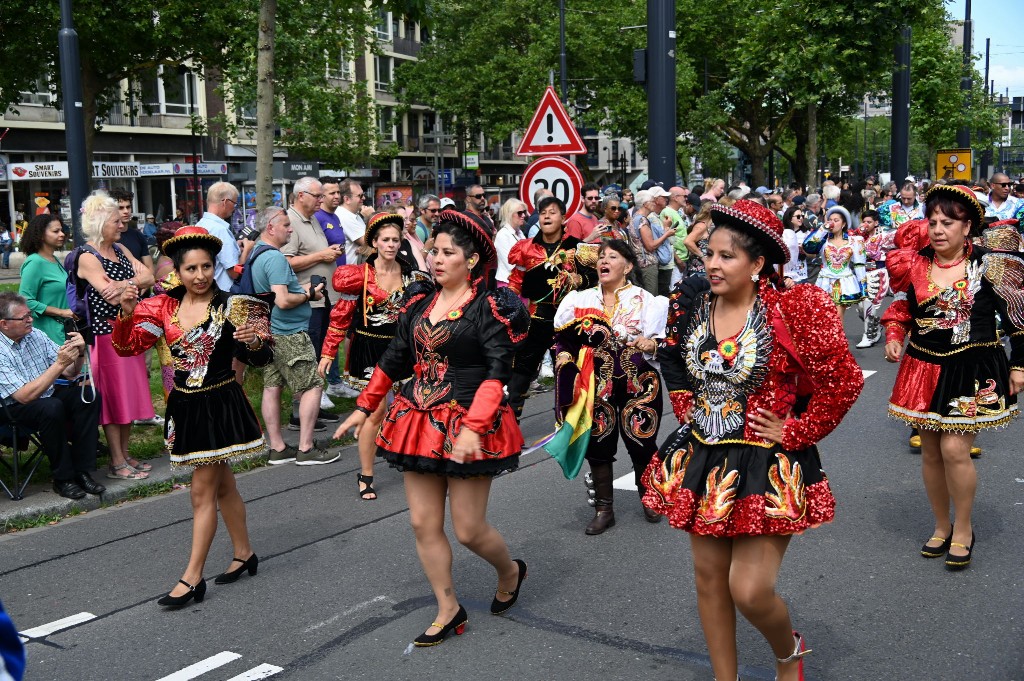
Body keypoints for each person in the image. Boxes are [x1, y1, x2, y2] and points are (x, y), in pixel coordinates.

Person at [642, 199, 864, 681]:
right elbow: (675, 358)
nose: (713, 265)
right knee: (708, 581)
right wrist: (686, 405)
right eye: (708, 254)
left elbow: (844, 381)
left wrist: (798, 429)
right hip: (705, 455)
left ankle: (789, 652)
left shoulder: (795, 309)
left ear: (758, 263)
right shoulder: (697, 303)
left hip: (768, 461)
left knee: (750, 590)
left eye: (726, 256)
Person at [335, 210, 530, 645]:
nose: (436, 259)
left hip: (470, 420)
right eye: (433, 251)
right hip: (418, 420)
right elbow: (396, 358)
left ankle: (510, 570)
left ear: (473, 260)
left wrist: (475, 426)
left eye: (447, 253)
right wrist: (365, 406)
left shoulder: (491, 306)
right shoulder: (420, 302)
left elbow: (499, 371)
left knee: (468, 530)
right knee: (423, 524)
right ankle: (449, 608)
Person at [113, 226, 273, 608]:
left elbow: (263, 357)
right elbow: (127, 348)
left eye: (206, 267)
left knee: (201, 492)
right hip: (184, 405)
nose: (200, 276)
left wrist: (253, 341)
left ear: (214, 266)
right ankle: (244, 553)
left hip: (219, 406)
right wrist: (124, 312)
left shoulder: (237, 305)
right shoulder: (161, 307)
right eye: (191, 269)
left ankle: (192, 577)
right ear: (178, 271)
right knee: (223, 488)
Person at [883, 185, 1024, 571]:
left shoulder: (990, 264)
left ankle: (963, 528)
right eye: (933, 222)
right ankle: (941, 525)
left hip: (973, 366)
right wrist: (895, 335)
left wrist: (1020, 363)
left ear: (968, 227)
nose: (939, 229)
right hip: (923, 366)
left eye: (949, 222)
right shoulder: (915, 263)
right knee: (929, 451)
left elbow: (1017, 317)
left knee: (954, 450)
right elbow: (903, 308)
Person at [551, 239, 669, 534]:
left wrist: (650, 343)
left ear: (628, 266)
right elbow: (562, 341)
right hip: (596, 385)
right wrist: (566, 364)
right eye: (601, 257)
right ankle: (604, 509)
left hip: (639, 383)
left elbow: (666, 343)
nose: (604, 261)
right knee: (598, 446)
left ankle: (651, 498)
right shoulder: (579, 301)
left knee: (642, 442)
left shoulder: (646, 300)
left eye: (612, 257)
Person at [319, 213, 430, 499]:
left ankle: (413, 462)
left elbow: (422, 315)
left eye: (396, 239)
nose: (391, 245)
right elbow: (341, 316)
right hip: (369, 348)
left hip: (402, 349)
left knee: (411, 407)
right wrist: (329, 351)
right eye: (386, 240)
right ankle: (366, 473)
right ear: (375, 242)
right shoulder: (359, 275)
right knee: (375, 410)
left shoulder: (411, 274)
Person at [75, 191, 157, 480]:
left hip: (127, 328)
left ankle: (125, 454)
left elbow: (149, 276)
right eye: (115, 220)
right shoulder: (87, 256)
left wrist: (125, 284)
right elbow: (107, 296)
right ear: (98, 222)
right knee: (113, 400)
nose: (122, 223)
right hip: (105, 336)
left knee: (130, 396)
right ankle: (116, 461)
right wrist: (131, 286)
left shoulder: (121, 250)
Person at [0, 293, 104, 500]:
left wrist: (79, 352)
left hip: (45, 397)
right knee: (51, 407)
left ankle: (81, 471)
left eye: (30, 315)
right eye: (24, 318)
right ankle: (63, 479)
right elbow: (24, 396)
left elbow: (70, 373)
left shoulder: (36, 335)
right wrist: (59, 364)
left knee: (88, 397)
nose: (31, 320)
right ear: (4, 324)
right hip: (11, 408)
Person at [506, 197, 599, 420]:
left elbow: (595, 278)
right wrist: (506, 303)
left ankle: (569, 423)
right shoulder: (525, 248)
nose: (547, 216)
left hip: (569, 321)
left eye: (552, 212)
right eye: (543, 212)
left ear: (564, 218)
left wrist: (578, 280)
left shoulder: (577, 247)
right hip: (537, 318)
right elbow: (516, 281)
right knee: (520, 373)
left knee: (568, 373)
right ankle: (509, 427)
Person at [283, 176, 342, 421]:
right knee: (308, 356)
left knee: (319, 354)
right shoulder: (291, 222)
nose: (321, 199)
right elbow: (285, 262)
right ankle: (301, 413)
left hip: (323, 299)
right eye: (317, 195)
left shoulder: (312, 219)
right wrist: (322, 255)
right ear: (300, 196)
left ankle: (313, 406)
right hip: (308, 302)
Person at [802, 205, 866, 320]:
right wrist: (822, 229)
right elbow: (807, 247)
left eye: (836, 221)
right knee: (823, 318)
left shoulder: (854, 241)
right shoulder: (823, 240)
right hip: (824, 282)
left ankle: (838, 338)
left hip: (844, 283)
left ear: (844, 224)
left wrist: (863, 290)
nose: (832, 223)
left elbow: (859, 265)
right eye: (830, 220)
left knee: (836, 318)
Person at [18, 215, 73, 345]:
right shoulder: (35, 262)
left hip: (66, 329)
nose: (62, 234)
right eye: (55, 231)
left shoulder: (55, 259)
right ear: (41, 235)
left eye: (61, 230)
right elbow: (25, 300)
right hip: (49, 334)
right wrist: (62, 312)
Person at [196, 182, 243, 291]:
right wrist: (247, 249)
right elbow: (235, 273)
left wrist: (235, 247)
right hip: (224, 294)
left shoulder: (200, 225)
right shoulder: (220, 230)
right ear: (225, 202)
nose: (234, 208)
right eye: (234, 204)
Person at [494, 199, 528, 289]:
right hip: (508, 283)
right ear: (510, 214)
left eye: (524, 212)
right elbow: (510, 264)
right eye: (519, 213)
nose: (523, 215)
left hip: (521, 282)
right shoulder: (502, 235)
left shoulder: (520, 233)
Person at [683, 201, 714, 278]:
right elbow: (688, 241)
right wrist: (703, 257)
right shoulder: (701, 226)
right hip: (699, 271)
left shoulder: (707, 226)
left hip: (705, 270)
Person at [780, 206, 809, 284]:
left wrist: (803, 250)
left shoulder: (806, 234)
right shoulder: (783, 233)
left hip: (801, 273)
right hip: (786, 274)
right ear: (790, 218)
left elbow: (812, 255)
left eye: (802, 216)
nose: (801, 218)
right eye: (798, 216)